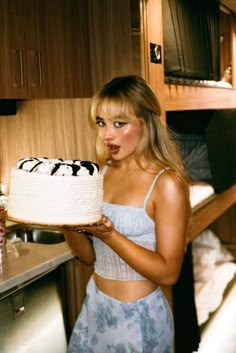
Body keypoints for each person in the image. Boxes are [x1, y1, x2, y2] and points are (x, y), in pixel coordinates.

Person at [63, 75, 191, 353]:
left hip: (139, 320)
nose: (107, 134)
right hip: (95, 310)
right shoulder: (101, 172)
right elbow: (89, 258)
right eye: (101, 123)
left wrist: (110, 235)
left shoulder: (166, 184)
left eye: (119, 124)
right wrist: (67, 224)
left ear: (146, 123)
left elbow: (169, 274)